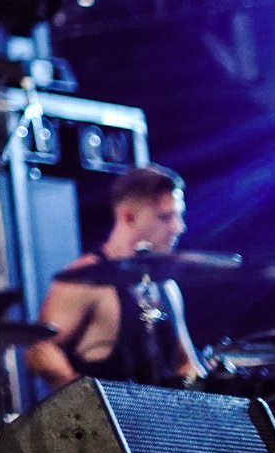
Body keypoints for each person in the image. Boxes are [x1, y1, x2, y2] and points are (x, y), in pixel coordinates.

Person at [24, 164, 203, 390]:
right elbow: (40, 351)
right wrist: (90, 406)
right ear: (129, 217)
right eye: (165, 217)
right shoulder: (85, 279)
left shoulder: (166, 286)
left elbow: (185, 363)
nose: (179, 227)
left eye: (179, 216)